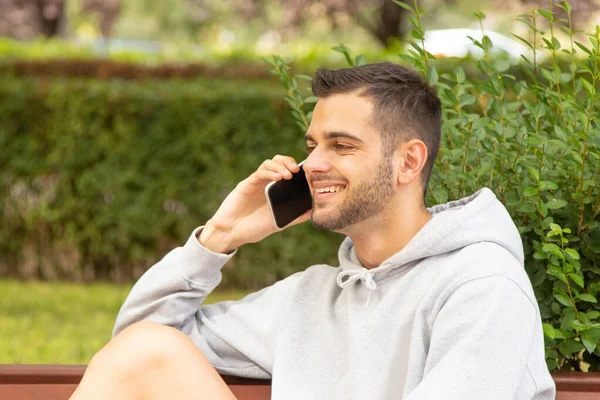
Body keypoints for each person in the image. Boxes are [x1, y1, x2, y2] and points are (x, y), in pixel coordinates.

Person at [69, 62, 556, 400]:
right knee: (147, 347)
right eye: (313, 144)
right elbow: (136, 350)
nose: (313, 164)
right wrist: (221, 237)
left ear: (408, 161)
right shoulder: (311, 298)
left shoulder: (483, 287)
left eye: (342, 146)